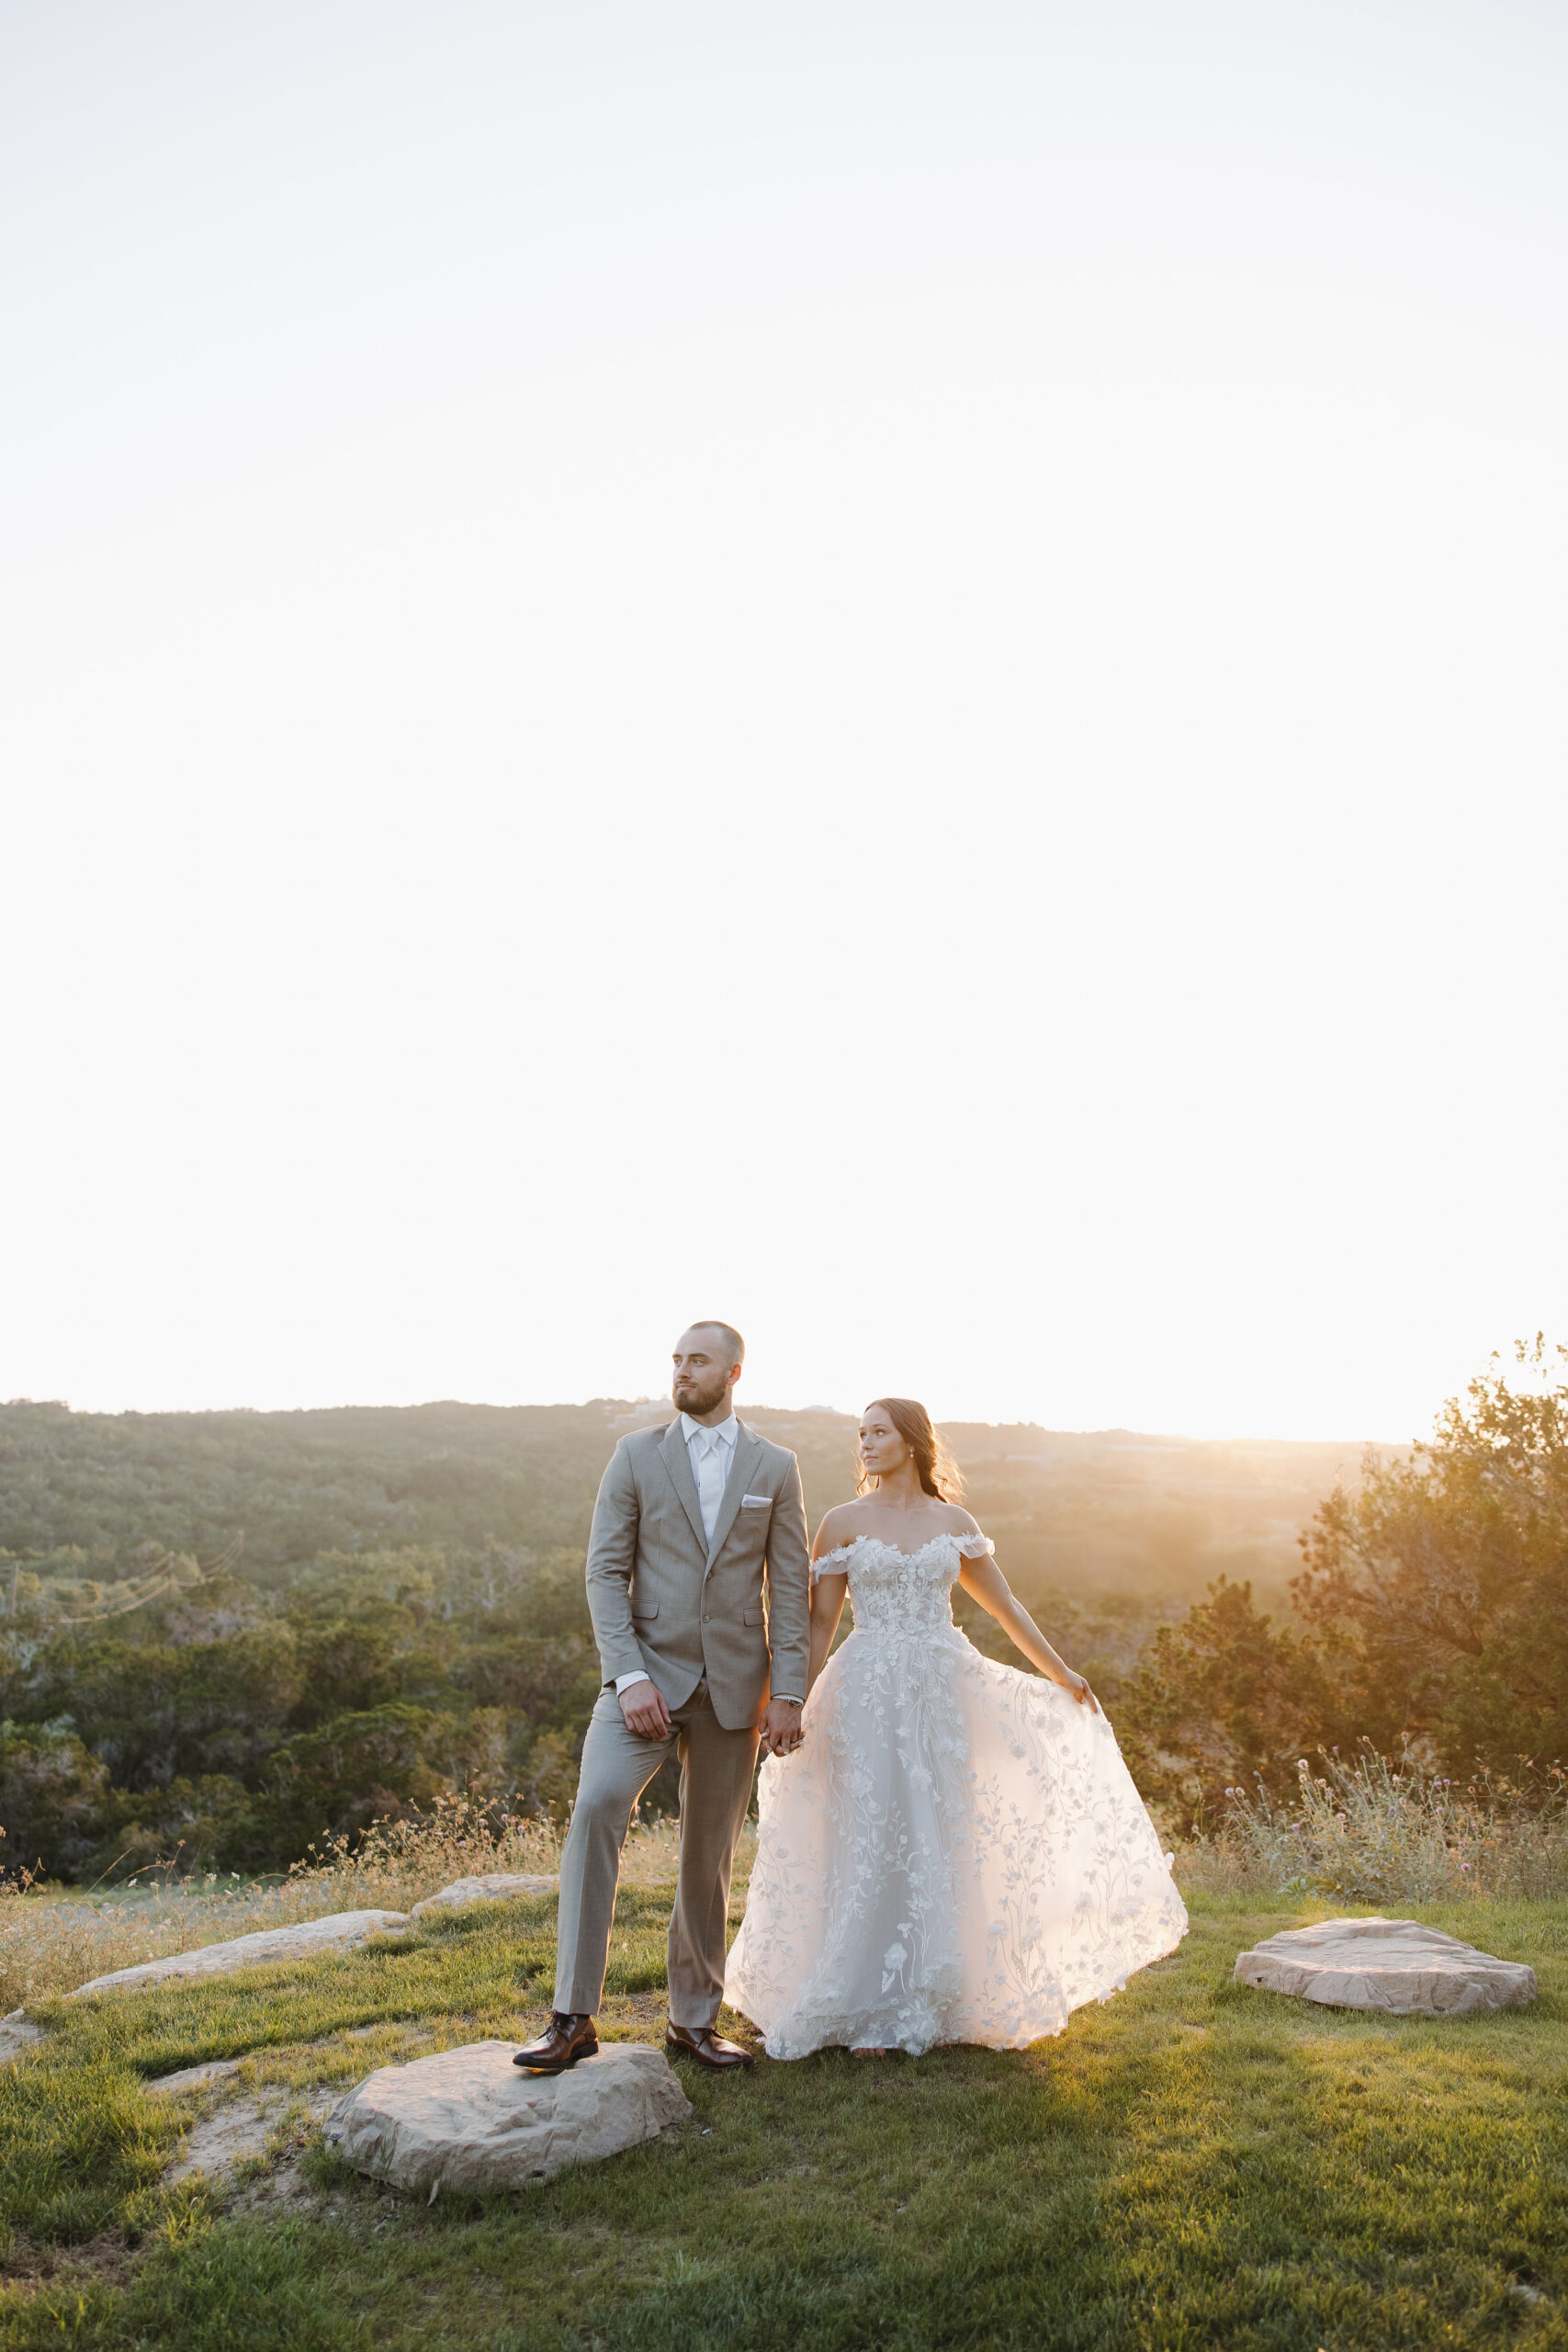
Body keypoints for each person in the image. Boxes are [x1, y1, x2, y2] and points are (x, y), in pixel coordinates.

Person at [725, 1396, 1187, 2057]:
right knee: (871, 1832)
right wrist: (789, 1699)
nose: (864, 1443)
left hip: (943, 1692)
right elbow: (819, 1624)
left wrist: (1060, 1673)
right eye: (860, 1434)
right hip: (867, 1690)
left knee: (941, 1831)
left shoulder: (954, 1522)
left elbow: (1005, 1608)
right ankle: (863, 2002)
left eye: (877, 1432)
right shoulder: (841, 1522)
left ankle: (934, 1992)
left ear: (910, 1442)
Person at [514, 1321, 809, 2075]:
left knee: (705, 1855)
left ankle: (692, 2021)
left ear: (734, 1372)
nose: (682, 1371)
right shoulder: (635, 1455)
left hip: (734, 1690)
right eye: (676, 1359)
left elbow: (789, 1587)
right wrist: (629, 1674)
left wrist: (790, 1692)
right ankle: (572, 2016)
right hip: (643, 1679)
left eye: (697, 1360)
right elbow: (603, 1572)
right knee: (594, 1810)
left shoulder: (775, 1466)